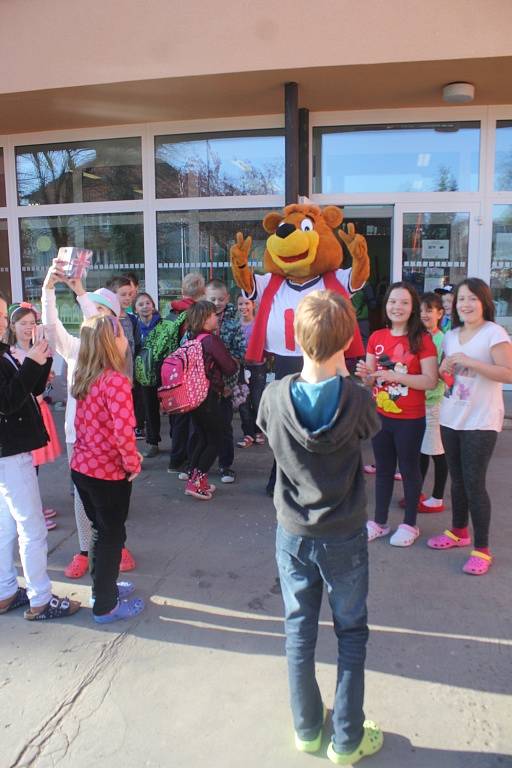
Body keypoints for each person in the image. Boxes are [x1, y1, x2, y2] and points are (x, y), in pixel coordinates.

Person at [257, 290, 383, 765]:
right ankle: (347, 741)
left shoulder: (273, 395)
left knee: (298, 630)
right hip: (344, 533)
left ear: (296, 335)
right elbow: (370, 429)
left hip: (293, 532)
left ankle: (308, 730)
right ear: (349, 339)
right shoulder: (357, 398)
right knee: (351, 632)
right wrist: (346, 375)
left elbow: (268, 429)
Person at [41, 261, 137, 578]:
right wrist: (48, 290)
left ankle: (113, 544)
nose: (94, 316)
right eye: (91, 309)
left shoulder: (114, 350)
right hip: (78, 440)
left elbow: (97, 324)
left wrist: (81, 291)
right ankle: (86, 550)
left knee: (112, 506)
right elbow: (54, 328)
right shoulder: (76, 349)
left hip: (110, 444)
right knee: (84, 504)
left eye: (102, 312)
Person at [0, 292, 81, 621]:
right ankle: (41, 599)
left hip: (11, 451)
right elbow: (7, 401)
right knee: (32, 528)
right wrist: (33, 360)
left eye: (4, 315)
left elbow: (31, 389)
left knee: (7, 526)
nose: (3, 321)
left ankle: (6, 590)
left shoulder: (4, 352)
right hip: (10, 452)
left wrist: (41, 356)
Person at [427, 278, 512, 575]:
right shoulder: (451, 336)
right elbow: (444, 375)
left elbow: (508, 373)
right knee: (459, 480)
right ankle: (458, 532)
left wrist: (471, 363)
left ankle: (482, 549)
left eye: (472, 298)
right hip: (452, 417)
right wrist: (444, 369)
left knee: (475, 483)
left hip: (481, 420)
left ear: (484, 302)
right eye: (461, 298)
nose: (465, 304)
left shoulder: (494, 333)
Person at [70, 315, 144, 622]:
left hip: (83, 469)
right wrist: (132, 463)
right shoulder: (115, 381)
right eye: (121, 334)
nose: (125, 339)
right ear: (110, 343)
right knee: (112, 534)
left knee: (101, 531)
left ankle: (103, 588)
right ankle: (105, 605)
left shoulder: (84, 376)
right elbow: (123, 431)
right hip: (107, 474)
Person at [356, 282, 437, 547]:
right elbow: (370, 381)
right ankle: (379, 522)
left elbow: (430, 381)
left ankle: (410, 524)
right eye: (392, 301)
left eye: (403, 302)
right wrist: (366, 377)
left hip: (411, 419)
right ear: (386, 304)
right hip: (381, 415)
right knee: (383, 471)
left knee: (410, 471)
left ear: (412, 307)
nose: (397, 307)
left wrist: (396, 375)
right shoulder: (377, 337)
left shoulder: (422, 340)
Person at [7, 303, 62, 530]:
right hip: (21, 414)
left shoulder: (38, 349)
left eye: (32, 323)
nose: (28, 328)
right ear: (12, 326)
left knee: (33, 464)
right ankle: (29, 511)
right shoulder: (10, 354)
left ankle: (35, 504)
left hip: (39, 411)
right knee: (24, 464)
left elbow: (38, 385)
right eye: (23, 324)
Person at [183, 300, 238, 500]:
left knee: (203, 437)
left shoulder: (191, 337)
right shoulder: (210, 341)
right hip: (208, 396)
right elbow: (229, 367)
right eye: (214, 315)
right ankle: (197, 482)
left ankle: (194, 478)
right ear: (206, 318)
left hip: (193, 396)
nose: (217, 317)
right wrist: (234, 361)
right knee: (216, 438)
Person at [205, 279, 245, 483]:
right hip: (204, 384)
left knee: (225, 425)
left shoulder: (232, 322)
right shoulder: (199, 319)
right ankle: (200, 465)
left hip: (226, 384)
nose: (217, 302)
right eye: (212, 299)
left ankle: (225, 465)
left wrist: (230, 384)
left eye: (221, 299)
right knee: (203, 426)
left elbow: (240, 353)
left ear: (227, 298)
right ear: (205, 297)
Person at [167, 272, 206, 473]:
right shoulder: (197, 313)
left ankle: (175, 460)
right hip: (189, 373)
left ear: (183, 290)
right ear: (203, 292)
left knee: (179, 418)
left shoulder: (172, 311)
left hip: (171, 370)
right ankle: (191, 461)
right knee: (192, 420)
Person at [417, 292, 448, 512]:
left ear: (440, 313)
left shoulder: (443, 340)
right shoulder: (417, 336)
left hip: (434, 402)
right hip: (417, 402)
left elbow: (444, 373)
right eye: (420, 310)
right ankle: (418, 493)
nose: (424, 314)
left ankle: (437, 498)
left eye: (429, 310)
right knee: (421, 450)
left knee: (437, 451)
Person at [107, 275, 145, 442]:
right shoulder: (106, 320)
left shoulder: (132, 320)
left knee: (126, 419)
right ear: (111, 295)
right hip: (109, 379)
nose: (128, 298)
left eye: (130, 294)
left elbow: (136, 349)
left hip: (128, 379)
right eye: (123, 294)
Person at [236, 295, 267, 448]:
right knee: (243, 402)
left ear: (253, 305)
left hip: (258, 367)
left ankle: (258, 431)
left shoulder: (259, 324)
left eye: (246, 303)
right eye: (240, 304)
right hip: (241, 368)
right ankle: (248, 433)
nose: (243, 307)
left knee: (257, 400)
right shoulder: (235, 325)